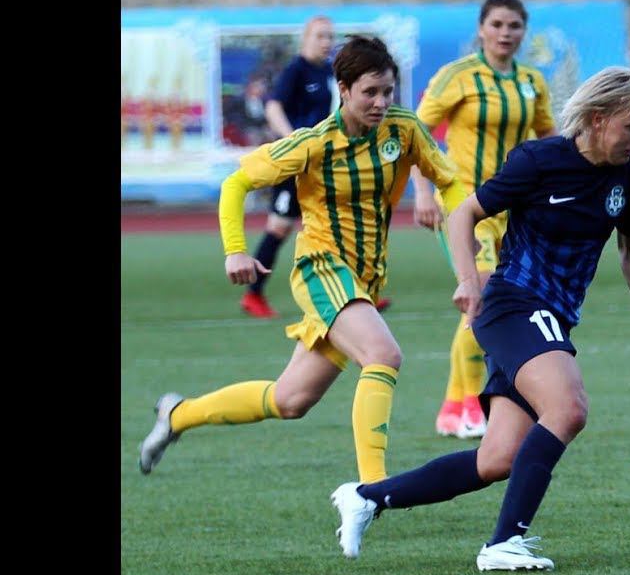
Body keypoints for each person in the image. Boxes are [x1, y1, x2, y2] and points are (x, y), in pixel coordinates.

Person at [329, 66, 630, 571]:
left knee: (497, 460)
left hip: (553, 316)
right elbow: (464, 214)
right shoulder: (540, 161)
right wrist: (469, 280)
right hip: (511, 303)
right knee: (568, 407)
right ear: (598, 119)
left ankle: (367, 497)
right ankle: (505, 543)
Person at [138, 36, 466, 486]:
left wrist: (465, 249)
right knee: (383, 354)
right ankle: (372, 490)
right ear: (343, 89)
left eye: (387, 91)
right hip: (321, 268)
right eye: (369, 92)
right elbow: (236, 184)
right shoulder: (314, 143)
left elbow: (450, 183)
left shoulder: (403, 129)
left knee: (290, 400)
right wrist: (235, 250)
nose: (380, 102)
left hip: (364, 280)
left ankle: (178, 414)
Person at [412, 0, 556, 439]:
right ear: (481, 29)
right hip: (464, 207)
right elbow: (416, 133)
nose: (505, 33)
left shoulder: (531, 81)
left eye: (514, 25)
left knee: (496, 301)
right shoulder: (458, 76)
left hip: (515, 210)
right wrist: (422, 193)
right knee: (481, 296)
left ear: (523, 31)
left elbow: (548, 137)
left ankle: (455, 409)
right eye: (497, 24)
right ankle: (471, 407)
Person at [239, 15, 388, 317]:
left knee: (340, 224)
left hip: (324, 163)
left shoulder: (329, 73)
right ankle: (253, 294)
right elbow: (273, 107)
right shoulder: (296, 70)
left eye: (330, 36)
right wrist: (292, 141)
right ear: (305, 39)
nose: (326, 42)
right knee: (279, 228)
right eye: (320, 36)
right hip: (298, 165)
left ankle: (359, 292)